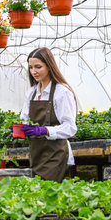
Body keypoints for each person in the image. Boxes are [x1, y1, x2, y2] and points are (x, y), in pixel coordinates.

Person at [18, 47, 77, 182]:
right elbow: (25, 120)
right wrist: (20, 130)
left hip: (56, 155)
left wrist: (45, 130)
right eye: (31, 67)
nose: (34, 71)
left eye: (38, 67)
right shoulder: (32, 92)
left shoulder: (62, 92)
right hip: (37, 153)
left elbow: (70, 128)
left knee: (50, 196)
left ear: (49, 66)